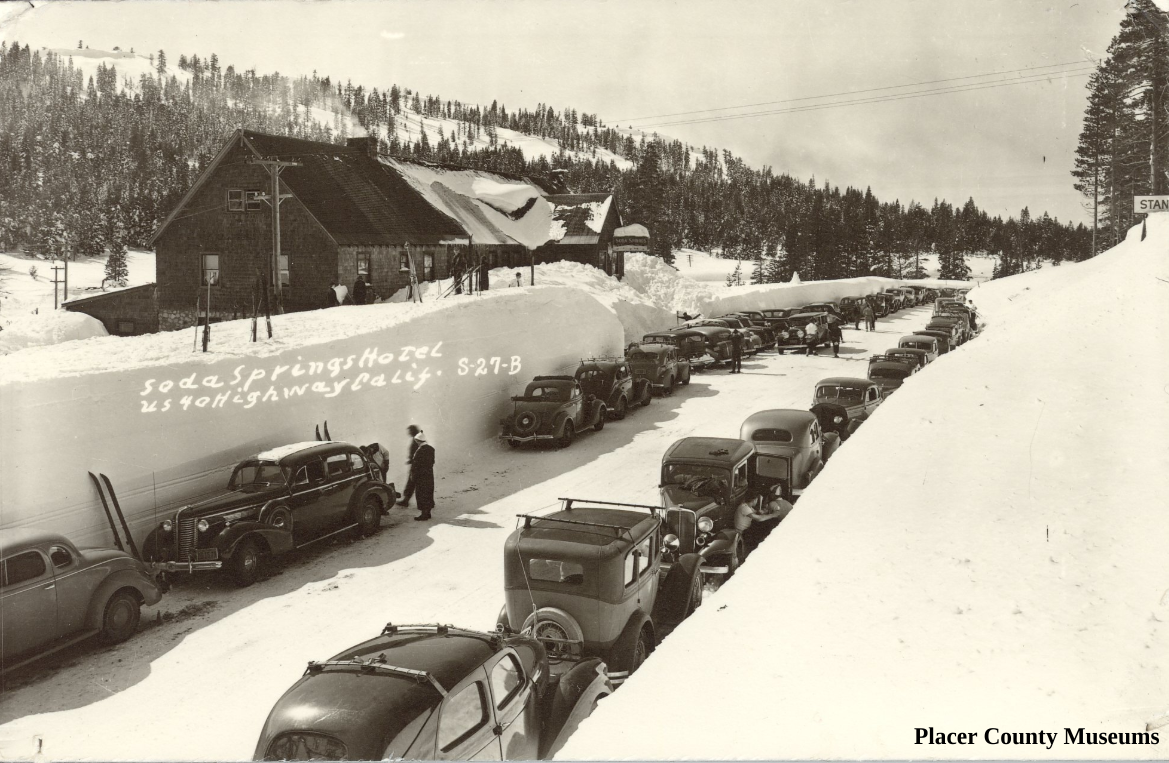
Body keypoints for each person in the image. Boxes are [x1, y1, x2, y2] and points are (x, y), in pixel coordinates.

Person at [395, 425, 423, 507]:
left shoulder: (416, 440)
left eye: (410, 431)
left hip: (416, 466)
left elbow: (418, 452)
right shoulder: (418, 438)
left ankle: (406, 500)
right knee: (420, 484)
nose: (408, 433)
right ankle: (429, 501)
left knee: (411, 483)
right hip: (419, 465)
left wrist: (412, 460)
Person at [410, 432, 436, 521]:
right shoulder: (431, 449)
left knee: (421, 494)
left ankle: (424, 514)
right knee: (428, 493)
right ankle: (428, 513)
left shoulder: (420, 450)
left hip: (421, 476)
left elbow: (416, 465)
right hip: (429, 474)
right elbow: (432, 462)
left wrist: (413, 475)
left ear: (418, 441)